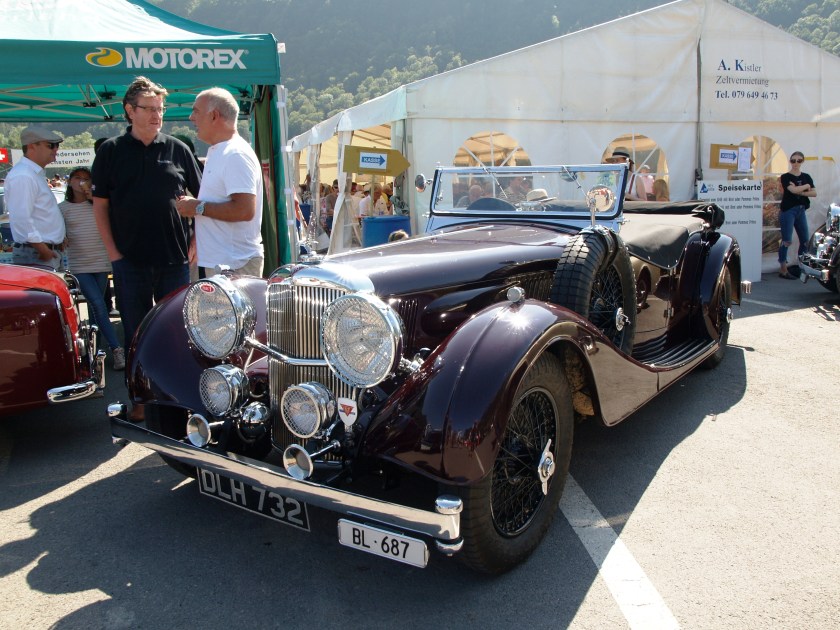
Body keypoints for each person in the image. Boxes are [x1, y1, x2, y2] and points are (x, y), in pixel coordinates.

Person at [91, 76, 202, 377]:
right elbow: (99, 205)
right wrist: (113, 254)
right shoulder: (111, 151)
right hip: (129, 260)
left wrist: (196, 241)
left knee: (177, 332)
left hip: (174, 259)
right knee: (137, 334)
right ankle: (140, 393)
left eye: (161, 109)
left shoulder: (178, 149)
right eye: (150, 108)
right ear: (130, 111)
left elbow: (202, 199)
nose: (157, 115)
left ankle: (176, 390)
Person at [175, 87, 263, 278]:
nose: (191, 117)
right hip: (226, 264)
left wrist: (197, 207)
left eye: (196, 111)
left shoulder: (235, 154)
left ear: (214, 115)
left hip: (235, 265)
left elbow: (244, 210)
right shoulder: (222, 151)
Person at [59, 167, 125, 370]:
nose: (81, 181)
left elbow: (114, 219)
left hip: (101, 262)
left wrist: (93, 196)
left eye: (86, 178)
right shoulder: (62, 208)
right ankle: (116, 348)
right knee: (97, 303)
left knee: (97, 307)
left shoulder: (98, 204)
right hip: (79, 264)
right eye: (77, 178)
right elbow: (56, 231)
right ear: (69, 182)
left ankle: (96, 349)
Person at [5, 126, 66, 270]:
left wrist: (58, 237)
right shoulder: (23, 175)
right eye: (50, 145)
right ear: (32, 146)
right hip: (36, 254)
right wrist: (42, 249)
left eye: (57, 145)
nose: (55, 149)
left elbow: (41, 213)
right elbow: (22, 219)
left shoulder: (32, 173)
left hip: (42, 252)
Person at [778, 150, 816, 279]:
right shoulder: (786, 177)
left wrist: (801, 191)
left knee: (805, 240)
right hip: (788, 210)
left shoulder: (806, 176)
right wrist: (806, 186)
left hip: (801, 210)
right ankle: (783, 269)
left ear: (802, 162)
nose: (795, 163)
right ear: (790, 161)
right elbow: (792, 190)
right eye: (793, 160)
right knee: (786, 240)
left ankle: (801, 267)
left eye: (798, 161)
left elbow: (814, 193)